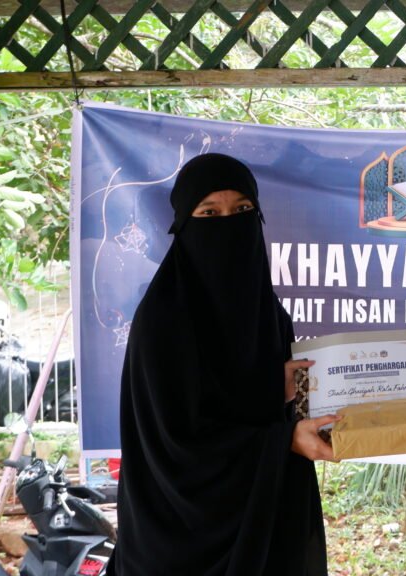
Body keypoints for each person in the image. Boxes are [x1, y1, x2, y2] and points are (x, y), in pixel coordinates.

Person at [109, 153, 338, 575]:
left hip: (262, 526)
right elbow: (176, 448)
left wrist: (278, 390)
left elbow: (248, 405)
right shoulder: (161, 319)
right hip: (176, 541)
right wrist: (284, 442)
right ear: (185, 224)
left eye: (242, 209)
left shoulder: (269, 315)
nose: (228, 223)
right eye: (209, 212)